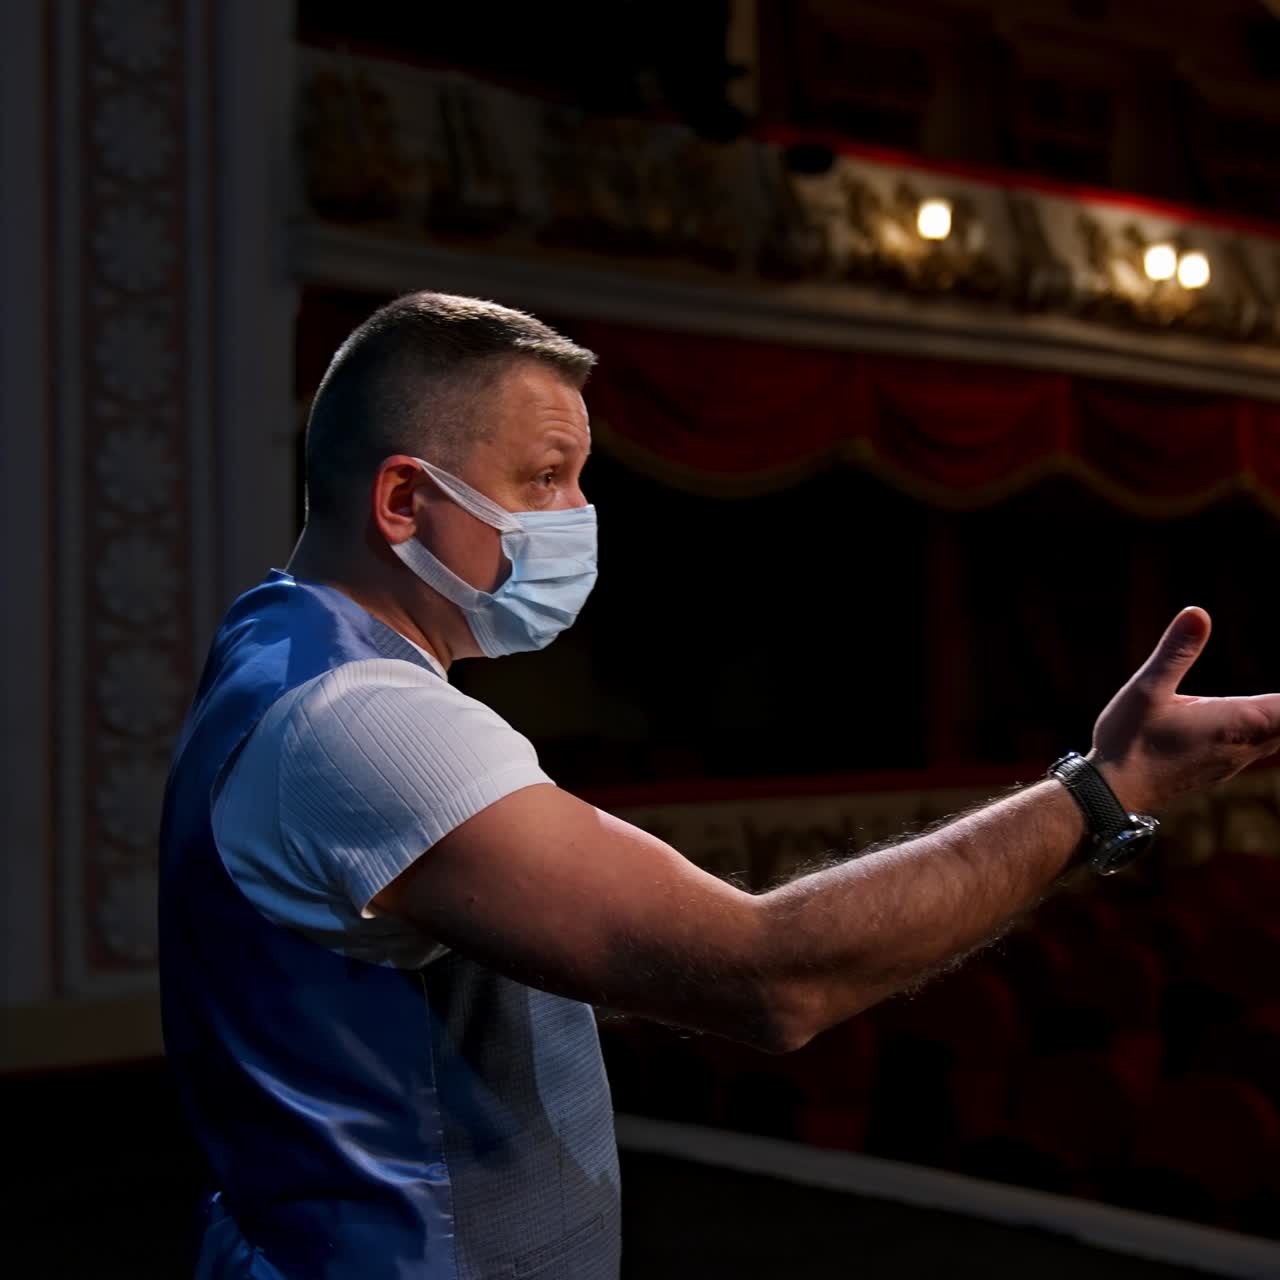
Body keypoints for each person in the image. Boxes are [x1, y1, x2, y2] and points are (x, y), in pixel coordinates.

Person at [159, 291, 1280, 1280]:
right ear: (403, 500)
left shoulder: (274, 641)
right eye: (542, 478)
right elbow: (765, 976)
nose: (576, 516)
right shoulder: (364, 722)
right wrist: (1104, 789)